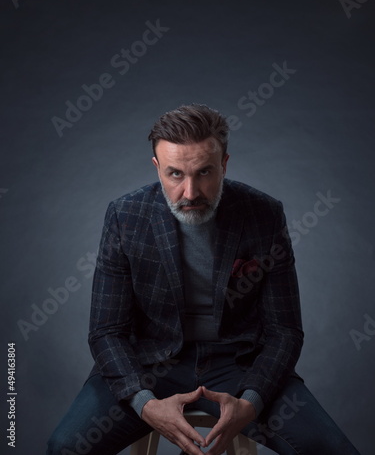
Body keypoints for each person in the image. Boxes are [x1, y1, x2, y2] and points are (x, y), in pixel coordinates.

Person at [47, 104, 361, 455]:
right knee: (65, 447)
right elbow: (106, 331)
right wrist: (145, 403)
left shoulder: (265, 214)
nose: (191, 192)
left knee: (334, 449)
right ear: (157, 167)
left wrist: (252, 402)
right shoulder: (125, 216)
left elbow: (284, 331)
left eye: (204, 172)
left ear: (224, 164)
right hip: (149, 364)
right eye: (175, 174)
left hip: (239, 364)